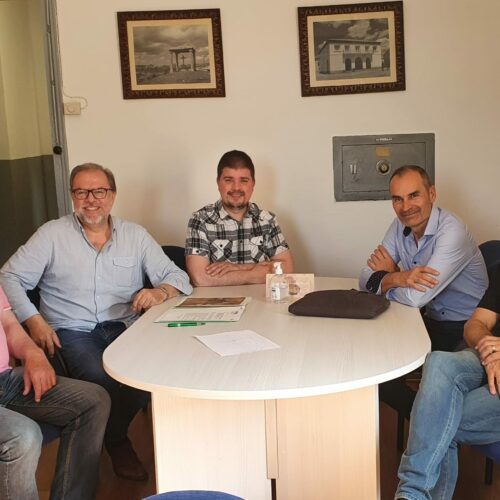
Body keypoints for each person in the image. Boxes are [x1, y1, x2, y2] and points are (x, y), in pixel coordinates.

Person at [0, 162, 193, 481]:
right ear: (72, 196)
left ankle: (111, 434)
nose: (91, 200)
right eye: (82, 192)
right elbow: (9, 276)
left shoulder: (135, 235)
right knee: (99, 376)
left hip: (124, 326)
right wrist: (33, 320)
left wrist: (160, 291)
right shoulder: (51, 234)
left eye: (99, 191)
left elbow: (178, 277)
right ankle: (117, 443)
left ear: (112, 195)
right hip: (71, 330)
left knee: (149, 375)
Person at [396, 263, 500, 499]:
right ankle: (412, 494)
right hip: (492, 356)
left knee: (437, 419)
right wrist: (491, 351)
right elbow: (474, 325)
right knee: (439, 362)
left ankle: (411, 493)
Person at [359, 165, 487, 352]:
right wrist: (398, 277)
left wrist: (385, 284)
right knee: (373, 344)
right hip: (427, 320)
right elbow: (364, 279)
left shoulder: (452, 231)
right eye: (398, 199)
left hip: (467, 328)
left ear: (432, 194)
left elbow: (416, 298)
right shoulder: (398, 226)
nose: (406, 207)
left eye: (413, 195)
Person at [0, 284, 110, 500]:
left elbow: (9, 324)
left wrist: (33, 353)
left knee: (94, 401)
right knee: (23, 436)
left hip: (4, 380)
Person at [185, 150, 293, 286]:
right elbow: (200, 278)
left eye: (244, 180)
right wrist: (259, 272)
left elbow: (287, 268)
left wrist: (237, 268)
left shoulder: (267, 219)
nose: (236, 188)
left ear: (253, 184)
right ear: (218, 183)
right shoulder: (200, 220)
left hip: (261, 298)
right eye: (228, 180)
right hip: (219, 299)